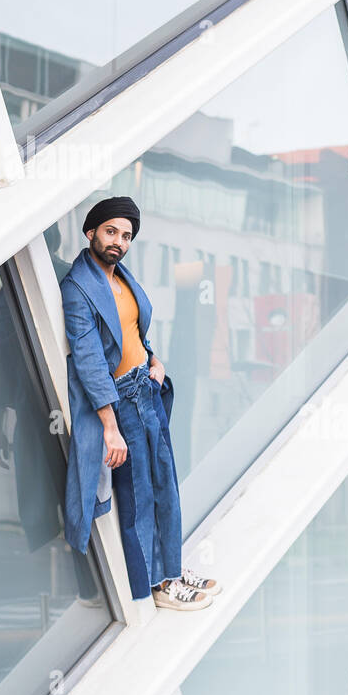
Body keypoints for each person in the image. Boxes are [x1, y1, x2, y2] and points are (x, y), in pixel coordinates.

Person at [60, 195, 222, 610]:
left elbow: (131, 332)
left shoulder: (122, 277)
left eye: (127, 235)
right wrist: (109, 426)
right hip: (121, 402)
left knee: (165, 486)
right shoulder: (79, 288)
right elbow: (90, 361)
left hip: (145, 389)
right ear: (91, 231)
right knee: (138, 498)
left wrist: (153, 357)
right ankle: (155, 585)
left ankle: (170, 566)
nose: (118, 241)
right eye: (111, 231)